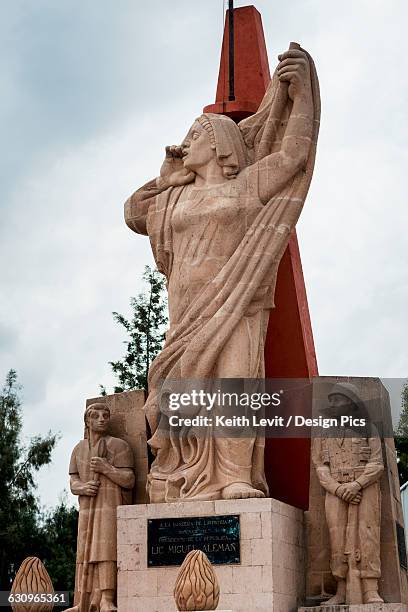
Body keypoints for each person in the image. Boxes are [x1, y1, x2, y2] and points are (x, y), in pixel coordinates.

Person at [125, 45, 320, 503]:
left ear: (217, 143)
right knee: (184, 394)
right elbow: (133, 213)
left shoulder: (247, 186)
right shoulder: (173, 197)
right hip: (187, 311)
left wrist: (303, 94)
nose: (184, 143)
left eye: (194, 135)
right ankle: (181, 475)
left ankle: (234, 477)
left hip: (237, 300)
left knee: (234, 385)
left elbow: (292, 157)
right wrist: (166, 178)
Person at [312, 383, 384, 605]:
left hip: (365, 487)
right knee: (337, 540)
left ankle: (370, 590)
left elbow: (377, 463)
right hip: (335, 490)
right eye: (331, 399)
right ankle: (341, 591)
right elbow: (319, 466)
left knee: (368, 534)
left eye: (337, 399)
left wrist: (357, 485)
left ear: (351, 403)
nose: (332, 404)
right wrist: (338, 489)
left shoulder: (369, 428)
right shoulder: (323, 433)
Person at [67, 403, 135, 612]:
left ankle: (106, 598)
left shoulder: (119, 445)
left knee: (105, 549)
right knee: (84, 553)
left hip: (109, 503)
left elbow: (129, 479)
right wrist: (82, 487)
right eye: (96, 416)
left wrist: (107, 469)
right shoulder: (78, 449)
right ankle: (83, 601)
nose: (102, 419)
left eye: (105, 415)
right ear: (87, 422)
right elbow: (73, 480)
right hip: (87, 507)